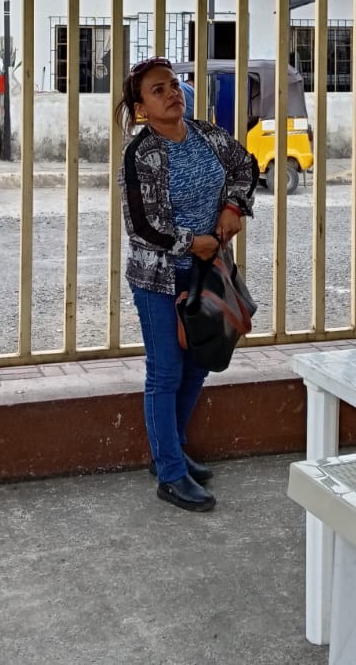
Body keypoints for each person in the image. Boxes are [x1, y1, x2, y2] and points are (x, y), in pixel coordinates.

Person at [116, 56, 256, 512]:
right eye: (158, 90)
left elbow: (246, 166)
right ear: (141, 108)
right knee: (165, 372)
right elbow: (142, 225)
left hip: (207, 273)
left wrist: (233, 207)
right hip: (159, 278)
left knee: (199, 363)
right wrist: (192, 242)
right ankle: (171, 475)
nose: (172, 94)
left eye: (174, 85)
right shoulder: (140, 154)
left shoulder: (207, 135)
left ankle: (170, 450)